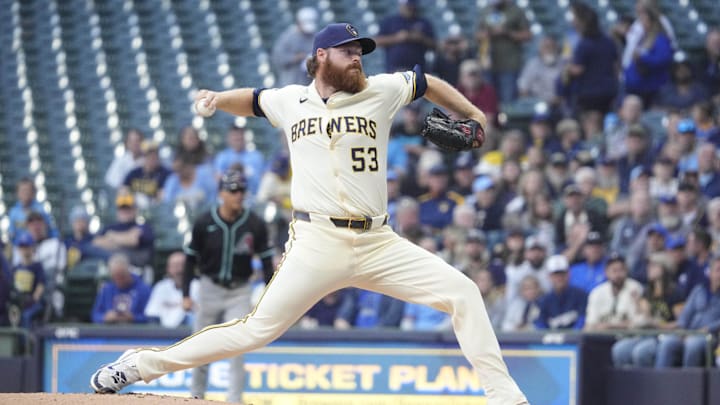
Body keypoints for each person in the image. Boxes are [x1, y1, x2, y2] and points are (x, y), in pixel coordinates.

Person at [90, 22, 529, 404]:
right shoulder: (291, 100)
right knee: (254, 331)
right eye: (349, 51)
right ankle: (141, 365)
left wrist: (473, 113)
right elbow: (255, 99)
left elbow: (426, 81)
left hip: (379, 242)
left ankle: (505, 399)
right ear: (321, 56)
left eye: (361, 52)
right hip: (316, 242)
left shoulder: (381, 91)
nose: (358, 59)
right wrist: (219, 98)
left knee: (464, 292)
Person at [181, 169, 275, 403]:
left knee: (237, 348)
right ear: (221, 193)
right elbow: (190, 259)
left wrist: (271, 295)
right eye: (233, 190)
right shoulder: (204, 222)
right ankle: (196, 397)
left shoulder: (255, 223)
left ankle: (234, 400)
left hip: (239, 290)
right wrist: (185, 293)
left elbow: (265, 262)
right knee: (200, 348)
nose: (238, 195)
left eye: (241, 190)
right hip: (209, 287)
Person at [654, 255, 720, 368]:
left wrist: (707, 329)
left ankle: (689, 383)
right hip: (690, 332)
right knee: (668, 342)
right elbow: (685, 314)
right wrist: (682, 331)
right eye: (718, 270)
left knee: (692, 345)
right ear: (710, 273)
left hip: (711, 335)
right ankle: (660, 383)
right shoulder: (699, 290)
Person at [92, 193, 155, 268]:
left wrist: (112, 236)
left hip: (137, 268)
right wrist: (126, 238)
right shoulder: (110, 227)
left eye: (128, 208)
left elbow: (133, 240)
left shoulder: (143, 226)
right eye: (122, 208)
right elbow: (96, 243)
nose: (125, 211)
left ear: (135, 209)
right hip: (112, 268)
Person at [375, 0, 436, 73]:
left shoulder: (423, 22)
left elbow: (435, 45)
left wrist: (421, 38)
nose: (410, 9)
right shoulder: (390, 21)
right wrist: (396, 38)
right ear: (401, 6)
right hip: (394, 69)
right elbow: (376, 41)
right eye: (408, 6)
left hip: (418, 70)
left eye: (412, 6)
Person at [91, 253, 151, 324]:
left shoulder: (144, 289)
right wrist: (105, 317)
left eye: (121, 276)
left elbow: (150, 317)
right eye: (115, 277)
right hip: (110, 332)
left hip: (135, 332)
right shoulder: (107, 289)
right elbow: (95, 315)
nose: (118, 280)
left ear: (128, 271)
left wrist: (134, 318)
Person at [144, 251, 199, 328]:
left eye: (183, 265)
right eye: (175, 266)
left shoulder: (198, 286)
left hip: (188, 332)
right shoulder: (161, 286)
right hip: (163, 334)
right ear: (168, 269)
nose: (179, 270)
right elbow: (152, 314)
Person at [535, 255, 588, 330]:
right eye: (555, 275)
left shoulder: (581, 295)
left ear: (568, 274)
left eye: (562, 274)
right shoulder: (544, 300)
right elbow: (540, 324)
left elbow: (583, 319)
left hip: (576, 340)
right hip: (550, 340)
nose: (559, 278)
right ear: (549, 277)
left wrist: (572, 336)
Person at [271, 7, 318, 87]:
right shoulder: (288, 38)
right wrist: (296, 57)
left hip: (308, 83)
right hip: (290, 82)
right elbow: (278, 59)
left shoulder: (315, 36)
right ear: (298, 23)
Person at [11, 232, 46, 328]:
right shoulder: (15, 268)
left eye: (27, 247)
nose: (25, 250)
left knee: (26, 316)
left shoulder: (37, 266)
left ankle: (26, 342)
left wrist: (34, 298)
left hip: (33, 303)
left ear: (32, 248)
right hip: (18, 302)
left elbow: (41, 285)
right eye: (22, 247)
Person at [122, 140, 171, 209]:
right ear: (143, 156)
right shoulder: (134, 173)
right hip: (136, 209)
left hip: (157, 209)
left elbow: (165, 195)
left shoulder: (166, 174)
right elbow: (124, 189)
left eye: (154, 154)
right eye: (148, 155)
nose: (152, 158)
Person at [7, 177, 58, 244]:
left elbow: (50, 230)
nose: (25, 193)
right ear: (17, 193)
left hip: (39, 246)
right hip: (20, 248)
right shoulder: (13, 212)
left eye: (28, 190)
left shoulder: (40, 210)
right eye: (23, 190)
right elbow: (11, 234)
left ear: (33, 192)